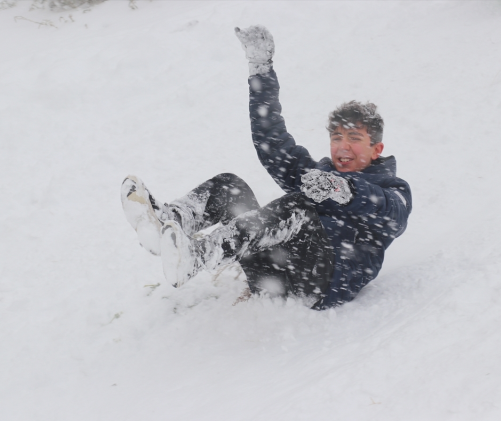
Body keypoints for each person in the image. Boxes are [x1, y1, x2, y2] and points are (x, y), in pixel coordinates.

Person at [120, 25, 412, 309]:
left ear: (377, 149)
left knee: (299, 206)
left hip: (318, 285)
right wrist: (261, 69)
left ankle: (200, 255)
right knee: (229, 187)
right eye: (337, 137)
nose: (342, 145)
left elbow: (389, 211)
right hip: (274, 276)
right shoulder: (317, 179)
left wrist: (344, 190)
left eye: (354, 138)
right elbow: (273, 143)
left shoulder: (391, 192)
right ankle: (167, 222)